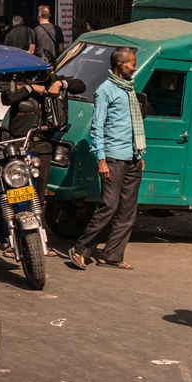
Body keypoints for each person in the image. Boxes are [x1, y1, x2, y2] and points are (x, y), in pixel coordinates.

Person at [0, 48, 86, 257]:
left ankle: (39, 239)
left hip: (43, 146)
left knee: (38, 195)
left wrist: (60, 84)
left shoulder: (53, 80)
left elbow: (80, 85)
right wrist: (30, 88)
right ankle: (13, 240)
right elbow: (7, 97)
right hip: (19, 146)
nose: (43, 75)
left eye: (47, 71)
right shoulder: (19, 79)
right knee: (15, 193)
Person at [69, 47, 144, 271]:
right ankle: (81, 249)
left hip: (132, 157)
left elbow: (132, 124)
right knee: (109, 206)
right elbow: (97, 126)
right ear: (121, 64)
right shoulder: (106, 90)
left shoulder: (129, 89)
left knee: (128, 211)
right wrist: (101, 159)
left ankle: (112, 255)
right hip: (113, 157)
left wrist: (139, 154)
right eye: (132, 64)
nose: (135, 67)